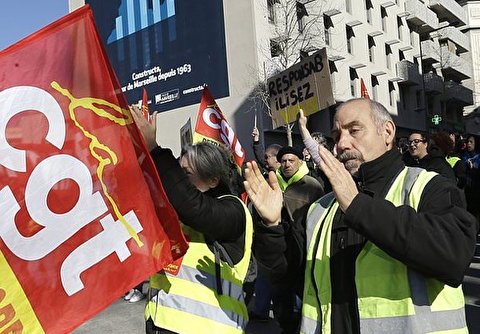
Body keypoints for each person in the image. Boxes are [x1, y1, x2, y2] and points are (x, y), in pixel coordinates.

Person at [244, 98, 478, 334]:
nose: (342, 144)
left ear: (387, 132)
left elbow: (452, 256)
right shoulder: (321, 209)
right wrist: (272, 226)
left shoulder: (428, 187)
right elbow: (286, 277)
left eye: (354, 131)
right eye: (336, 136)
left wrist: (357, 206)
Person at [130, 105, 253, 334]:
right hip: (161, 324)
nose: (177, 180)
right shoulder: (177, 212)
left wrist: (155, 150)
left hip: (212, 328)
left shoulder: (234, 211)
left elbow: (194, 207)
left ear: (213, 180)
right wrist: (141, 151)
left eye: (185, 174)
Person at [462, 135, 480, 220]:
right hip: (467, 190)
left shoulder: (478, 157)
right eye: (467, 142)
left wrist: (473, 168)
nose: (468, 144)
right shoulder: (464, 156)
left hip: (477, 190)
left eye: (471, 142)